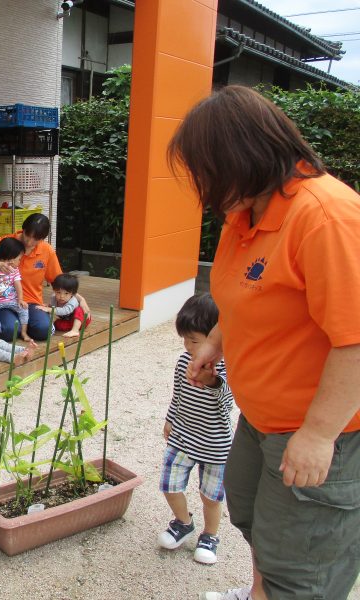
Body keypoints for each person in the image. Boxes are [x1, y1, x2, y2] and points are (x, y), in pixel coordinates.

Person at [168, 86, 360, 600]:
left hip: (323, 433)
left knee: (302, 567)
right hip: (260, 421)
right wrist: (215, 342)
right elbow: (247, 297)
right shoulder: (246, 214)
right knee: (257, 522)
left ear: (241, 157)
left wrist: (319, 434)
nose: (202, 186)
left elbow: (356, 340)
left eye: (206, 169)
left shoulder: (325, 217)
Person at [157, 293, 234, 565]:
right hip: (183, 437)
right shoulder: (183, 362)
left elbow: (227, 405)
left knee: (210, 496)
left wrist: (212, 382)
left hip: (215, 444)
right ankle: (183, 522)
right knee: (169, 484)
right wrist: (169, 419)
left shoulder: (228, 367)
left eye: (194, 340)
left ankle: (210, 535)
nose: (188, 346)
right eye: (185, 340)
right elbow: (177, 395)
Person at [0, 213, 89, 341]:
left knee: (44, 330)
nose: (29, 242)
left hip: (32, 303)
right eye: (27, 235)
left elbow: (61, 282)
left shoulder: (47, 251)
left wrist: (80, 299)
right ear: (23, 229)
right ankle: (16, 323)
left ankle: (22, 323)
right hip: (2, 300)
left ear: (43, 238)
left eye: (36, 239)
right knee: (8, 331)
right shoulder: (4, 242)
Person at [0, 237, 31, 342]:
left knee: (24, 309)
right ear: (11, 259)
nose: (19, 262)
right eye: (19, 259)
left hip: (11, 300)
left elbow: (18, 285)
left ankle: (23, 332)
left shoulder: (15, 270)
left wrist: (20, 299)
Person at [37, 273, 92, 338]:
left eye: (66, 293)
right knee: (57, 324)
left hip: (82, 320)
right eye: (58, 292)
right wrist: (47, 306)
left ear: (72, 293)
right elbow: (52, 307)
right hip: (68, 320)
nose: (62, 296)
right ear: (54, 290)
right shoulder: (53, 298)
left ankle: (75, 330)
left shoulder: (73, 301)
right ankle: (72, 328)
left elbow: (65, 311)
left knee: (79, 310)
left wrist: (49, 309)